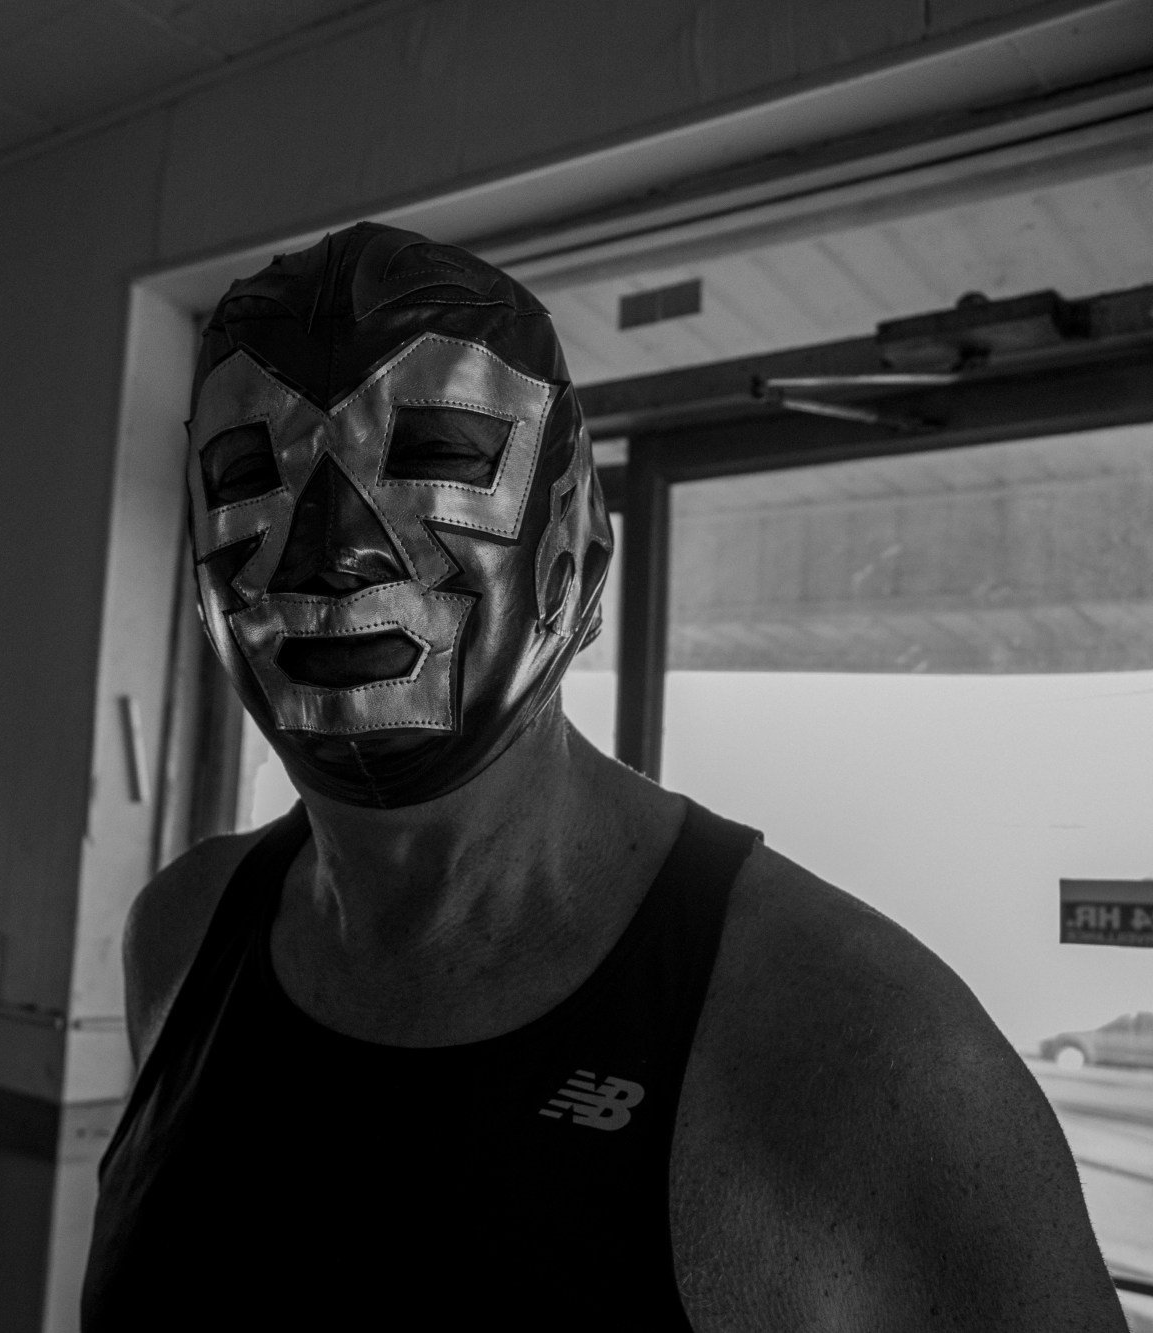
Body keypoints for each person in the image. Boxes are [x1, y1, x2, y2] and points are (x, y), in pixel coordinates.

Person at [81, 222, 1122, 1330]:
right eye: (249, 474)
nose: (334, 549)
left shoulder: (867, 1057)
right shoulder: (179, 937)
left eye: (437, 454)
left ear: (573, 524)